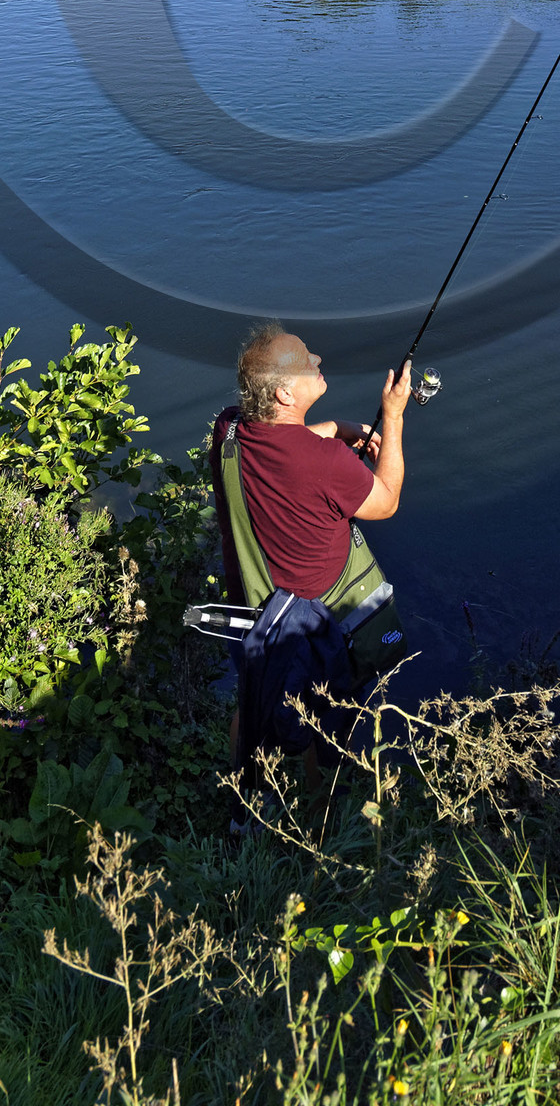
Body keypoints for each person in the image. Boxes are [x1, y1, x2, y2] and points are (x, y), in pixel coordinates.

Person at [209, 324, 411, 793]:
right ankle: (319, 817)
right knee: (322, 719)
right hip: (309, 626)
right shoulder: (326, 464)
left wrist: (337, 430)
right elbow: (385, 501)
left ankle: (242, 794)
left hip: (251, 613)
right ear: (284, 391)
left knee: (254, 697)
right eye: (306, 363)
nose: (317, 360)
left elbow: (284, 444)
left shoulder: (229, 429)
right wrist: (394, 416)